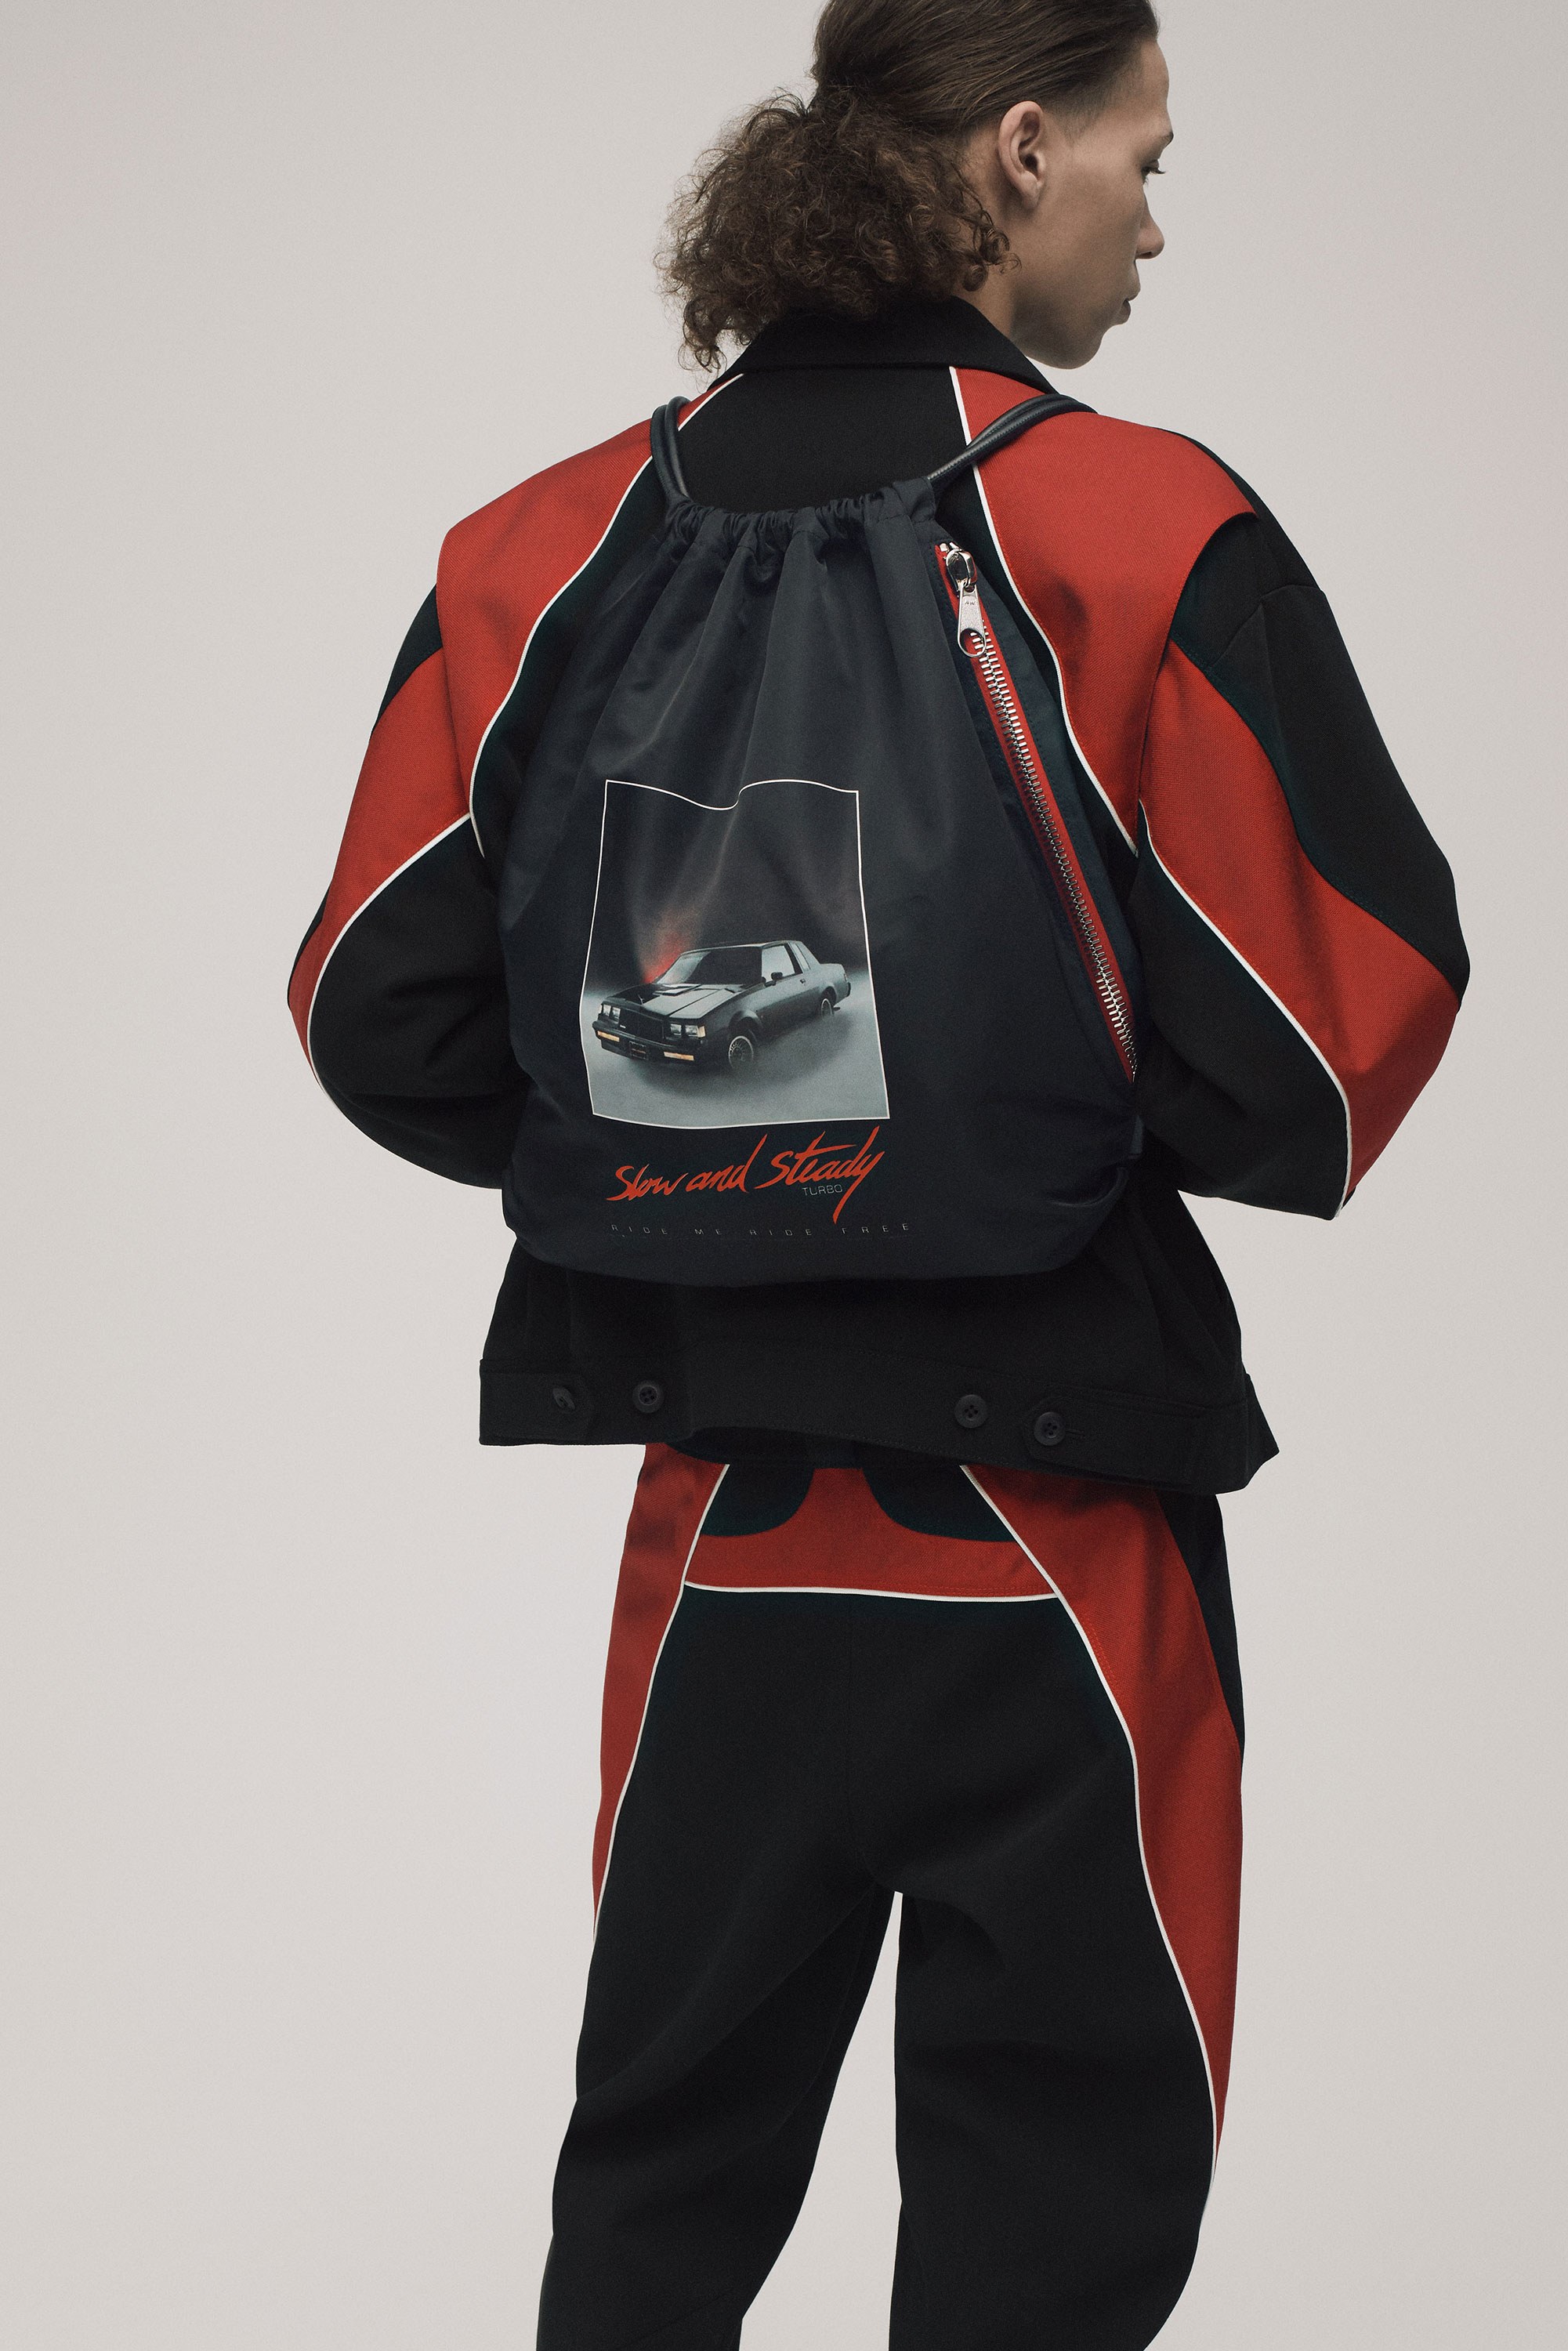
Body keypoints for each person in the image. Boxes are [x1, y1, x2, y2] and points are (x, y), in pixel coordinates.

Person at [288, 2, 1467, 2343]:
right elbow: (1337, 1037)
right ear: (1023, 148)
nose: (1156, 220)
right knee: (1055, 2229)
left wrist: (709, 1127)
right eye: (1143, 157)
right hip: (1065, 1525)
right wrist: (1021, 1102)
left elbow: (371, 1004)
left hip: (718, 1516)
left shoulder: (536, 552)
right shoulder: (1149, 534)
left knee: (655, 2203)